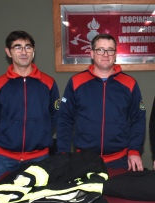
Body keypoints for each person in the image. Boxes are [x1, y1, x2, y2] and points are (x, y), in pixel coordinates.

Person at [57, 33, 146, 171]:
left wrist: (134, 150)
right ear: (92, 53)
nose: (106, 54)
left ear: (115, 54)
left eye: (110, 50)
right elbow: (65, 120)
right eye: (100, 50)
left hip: (120, 161)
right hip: (84, 160)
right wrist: (63, 154)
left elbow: (138, 119)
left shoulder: (130, 83)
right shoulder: (76, 82)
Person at [0, 31, 60, 179]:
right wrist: (9, 135)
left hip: (39, 158)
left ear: (33, 50)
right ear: (8, 52)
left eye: (28, 47)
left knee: (39, 201)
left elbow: (55, 115)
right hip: (5, 159)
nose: (23, 52)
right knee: (4, 200)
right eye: (17, 47)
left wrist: (42, 133)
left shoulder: (48, 83)